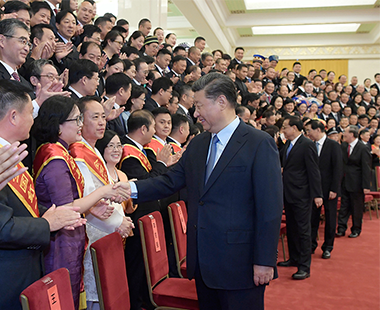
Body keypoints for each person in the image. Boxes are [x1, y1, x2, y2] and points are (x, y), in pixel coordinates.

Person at [127, 73, 283, 310]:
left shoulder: (258, 143)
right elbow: (170, 180)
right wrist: (129, 188)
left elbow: (269, 208)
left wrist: (264, 261)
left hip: (240, 264)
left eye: (199, 106)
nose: (195, 113)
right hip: (204, 263)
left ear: (221, 102)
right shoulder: (199, 144)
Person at [32, 96, 128, 309]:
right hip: (61, 240)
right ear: (58, 126)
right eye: (76, 120)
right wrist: (103, 191)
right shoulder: (54, 156)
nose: (81, 125)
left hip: (69, 236)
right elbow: (67, 208)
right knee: (65, 295)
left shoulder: (60, 151)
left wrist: (92, 205)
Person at [0, 80, 85, 310]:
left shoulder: (11, 153)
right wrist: (47, 224)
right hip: (8, 275)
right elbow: (3, 228)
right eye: (31, 113)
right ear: (14, 116)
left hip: (25, 266)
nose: (34, 119)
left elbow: (23, 208)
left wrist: (51, 216)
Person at [69, 96, 133, 309]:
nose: (101, 122)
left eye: (103, 117)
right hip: (94, 236)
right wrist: (118, 223)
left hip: (109, 233)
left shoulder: (94, 150)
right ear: (80, 121)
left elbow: (106, 196)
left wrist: (122, 220)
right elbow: (90, 201)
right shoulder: (78, 152)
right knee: (97, 296)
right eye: (95, 117)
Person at [279, 116, 323, 280]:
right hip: (288, 193)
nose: (283, 130)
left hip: (302, 194)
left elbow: (313, 170)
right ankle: (294, 258)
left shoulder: (307, 144)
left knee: (303, 230)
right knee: (292, 228)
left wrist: (317, 194)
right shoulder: (287, 145)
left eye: (285, 127)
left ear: (295, 128)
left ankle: (304, 266)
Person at [304, 120, 343, 259]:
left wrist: (334, 188)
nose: (308, 134)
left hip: (329, 189)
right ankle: (311, 245)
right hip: (313, 189)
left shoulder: (333, 145)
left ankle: (328, 246)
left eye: (310, 130)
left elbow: (338, 168)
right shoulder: (310, 145)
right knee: (312, 218)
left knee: (330, 218)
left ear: (318, 130)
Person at [336, 125, 371, 238]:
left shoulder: (362, 148)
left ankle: (356, 229)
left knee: (356, 207)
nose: (343, 134)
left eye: (345, 132)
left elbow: (366, 168)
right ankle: (341, 228)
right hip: (344, 181)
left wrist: (366, 185)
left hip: (357, 183)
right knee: (344, 206)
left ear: (351, 134)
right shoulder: (344, 146)